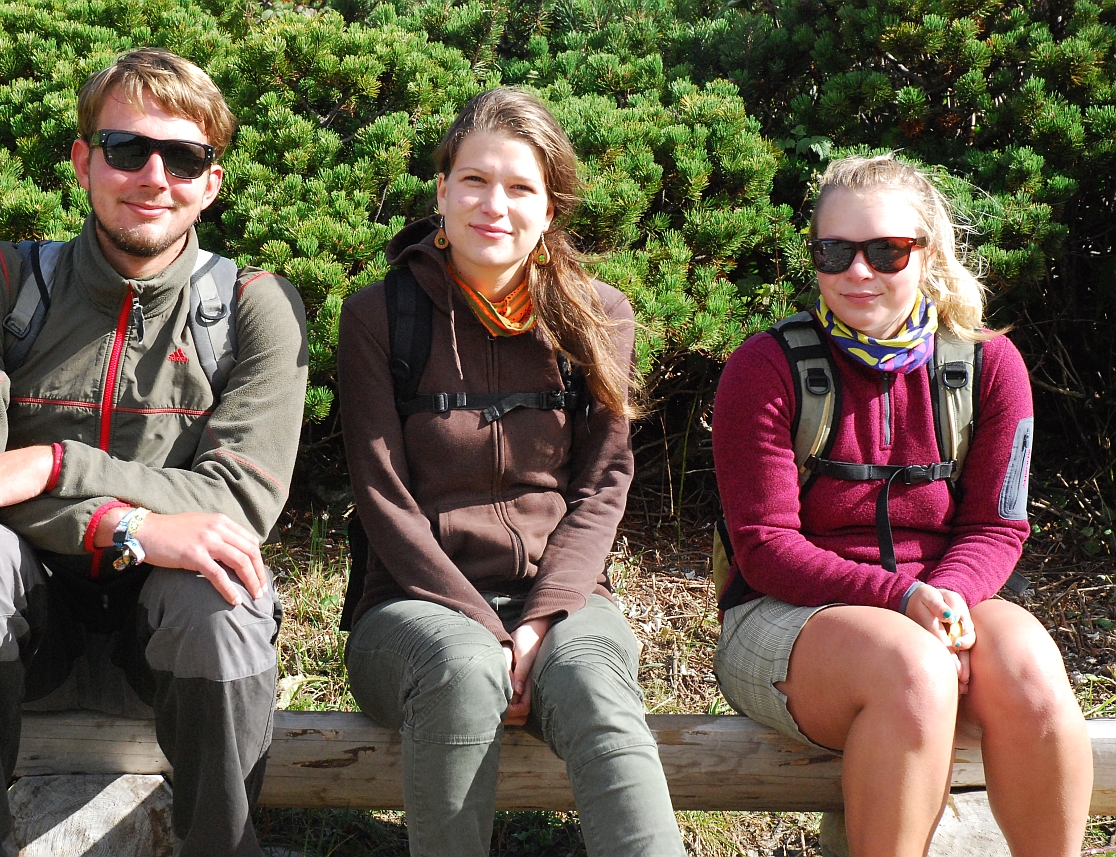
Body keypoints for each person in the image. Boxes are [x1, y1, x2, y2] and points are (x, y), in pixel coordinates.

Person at [0, 48, 308, 857]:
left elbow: (238, 504)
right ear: (84, 161)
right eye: (127, 149)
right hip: (24, 633)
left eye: (183, 158)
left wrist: (51, 465)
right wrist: (130, 525)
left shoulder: (254, 308)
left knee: (224, 588)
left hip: (167, 645)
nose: (154, 176)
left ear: (210, 184)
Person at [337, 87, 685, 857]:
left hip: (562, 597)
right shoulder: (378, 315)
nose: (494, 205)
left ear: (549, 208)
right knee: (463, 668)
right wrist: (489, 633)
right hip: (411, 607)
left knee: (594, 679)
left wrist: (541, 619)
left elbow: (603, 483)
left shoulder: (598, 314)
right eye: (475, 180)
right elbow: (383, 498)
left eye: (521, 187)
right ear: (442, 192)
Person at [712, 154, 1092, 857]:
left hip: (944, 598)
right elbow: (765, 546)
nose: (859, 271)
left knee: (1034, 671)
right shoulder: (765, 367)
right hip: (784, 615)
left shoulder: (988, 365)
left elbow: (996, 525)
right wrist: (903, 601)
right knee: (913, 671)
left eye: (886, 251)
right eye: (835, 251)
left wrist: (943, 604)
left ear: (928, 254)